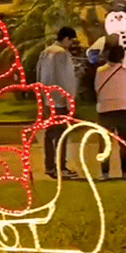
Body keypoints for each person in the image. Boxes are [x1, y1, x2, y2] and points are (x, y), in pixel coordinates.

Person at [36, 27, 79, 179]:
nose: (71, 44)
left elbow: (39, 74)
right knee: (61, 134)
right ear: (66, 39)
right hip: (59, 100)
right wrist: (69, 99)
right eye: (71, 40)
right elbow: (65, 78)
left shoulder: (46, 52)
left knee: (50, 134)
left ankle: (49, 166)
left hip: (48, 98)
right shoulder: (62, 54)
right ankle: (60, 167)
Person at [95, 45, 126, 179]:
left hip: (105, 110)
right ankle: (125, 172)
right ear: (121, 58)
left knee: (105, 142)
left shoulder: (100, 71)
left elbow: (96, 88)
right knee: (125, 143)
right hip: (125, 109)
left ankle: (105, 172)